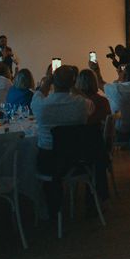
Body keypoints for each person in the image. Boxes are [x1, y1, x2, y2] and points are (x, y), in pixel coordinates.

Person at [32, 65, 95, 216]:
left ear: (53, 82)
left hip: (49, 161)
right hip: (77, 160)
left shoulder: (41, 105)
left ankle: (46, 206)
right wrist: (74, 88)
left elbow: (37, 95)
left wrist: (46, 83)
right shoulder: (80, 103)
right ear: (73, 83)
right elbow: (91, 105)